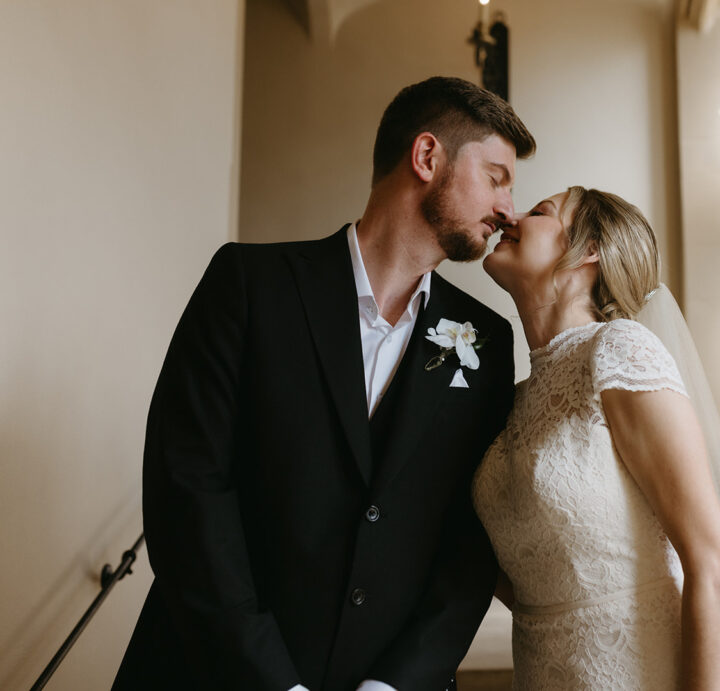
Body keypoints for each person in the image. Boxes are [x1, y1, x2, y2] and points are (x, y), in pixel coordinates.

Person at [113, 76, 535, 691]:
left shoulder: (487, 341)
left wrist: (393, 685)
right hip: (205, 674)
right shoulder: (249, 285)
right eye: (497, 177)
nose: (508, 210)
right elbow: (187, 488)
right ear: (426, 157)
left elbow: (469, 545)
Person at [472, 187, 720, 689]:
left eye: (540, 212)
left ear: (589, 250)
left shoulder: (618, 351)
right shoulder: (512, 401)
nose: (509, 216)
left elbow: (718, 565)